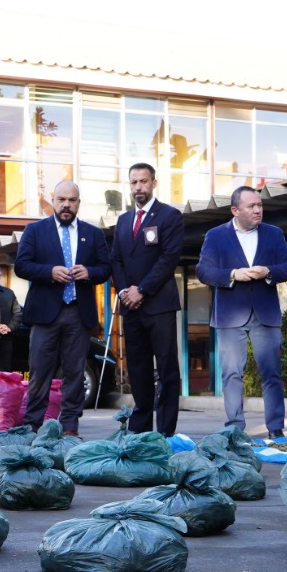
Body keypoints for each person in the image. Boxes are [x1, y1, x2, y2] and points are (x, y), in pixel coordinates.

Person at [195, 185, 287, 438]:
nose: (258, 210)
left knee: (272, 373)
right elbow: (203, 271)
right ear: (235, 210)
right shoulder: (216, 236)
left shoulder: (274, 234)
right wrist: (232, 274)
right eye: (251, 206)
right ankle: (235, 429)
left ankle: (276, 430)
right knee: (231, 373)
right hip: (230, 316)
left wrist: (268, 272)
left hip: (266, 314)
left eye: (260, 205)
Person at [15, 180, 111, 436]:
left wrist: (89, 272)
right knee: (39, 373)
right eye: (61, 200)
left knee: (75, 373)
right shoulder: (34, 230)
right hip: (45, 314)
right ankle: (32, 425)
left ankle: (70, 426)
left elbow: (106, 268)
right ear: (53, 201)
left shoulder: (94, 234)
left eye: (72, 200)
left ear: (79, 202)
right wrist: (49, 272)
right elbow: (21, 266)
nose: (66, 205)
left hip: (78, 313)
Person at [108, 162, 185, 435]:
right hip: (131, 307)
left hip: (159, 306)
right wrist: (125, 291)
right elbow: (115, 259)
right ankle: (140, 431)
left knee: (166, 369)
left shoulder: (170, 216)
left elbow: (168, 260)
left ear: (154, 182)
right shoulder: (123, 221)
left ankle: (165, 432)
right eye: (134, 182)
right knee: (138, 370)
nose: (138, 187)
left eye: (143, 181)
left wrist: (142, 290)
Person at [0, 264, 20, 372]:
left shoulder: (9, 293)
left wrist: (10, 327)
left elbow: (17, 313)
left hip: (6, 338)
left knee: (5, 371)